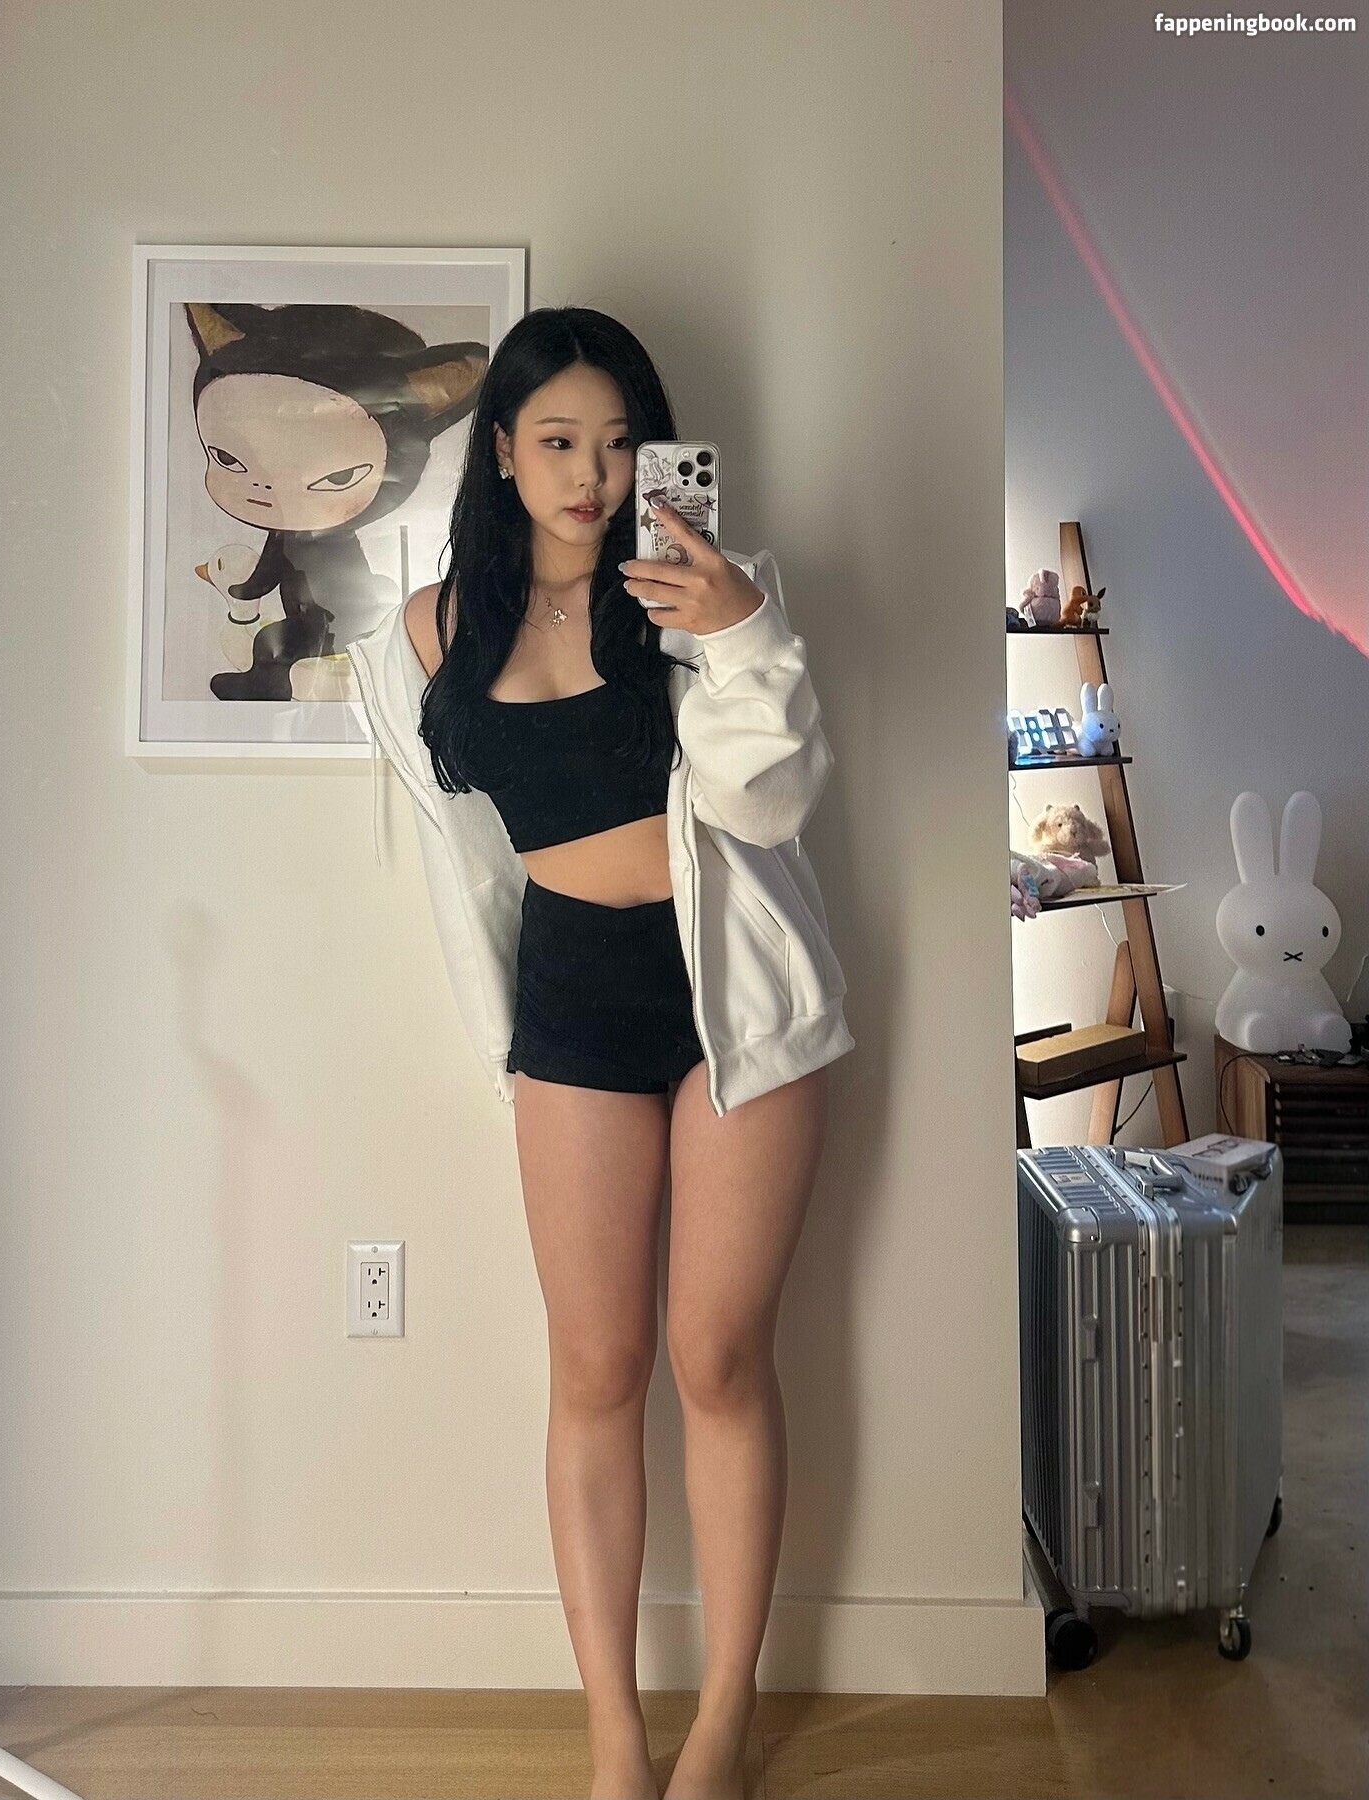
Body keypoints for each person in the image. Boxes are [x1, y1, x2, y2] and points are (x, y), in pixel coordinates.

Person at [347, 307, 853, 1800]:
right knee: (595, 1367)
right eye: (559, 440)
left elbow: (768, 807)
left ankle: (724, 1721)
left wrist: (742, 632)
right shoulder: (431, 633)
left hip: (731, 997)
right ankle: (616, 1738)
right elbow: (458, 847)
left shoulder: (701, 593)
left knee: (719, 1357)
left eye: (620, 443)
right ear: (501, 452)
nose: (592, 474)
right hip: (568, 1001)